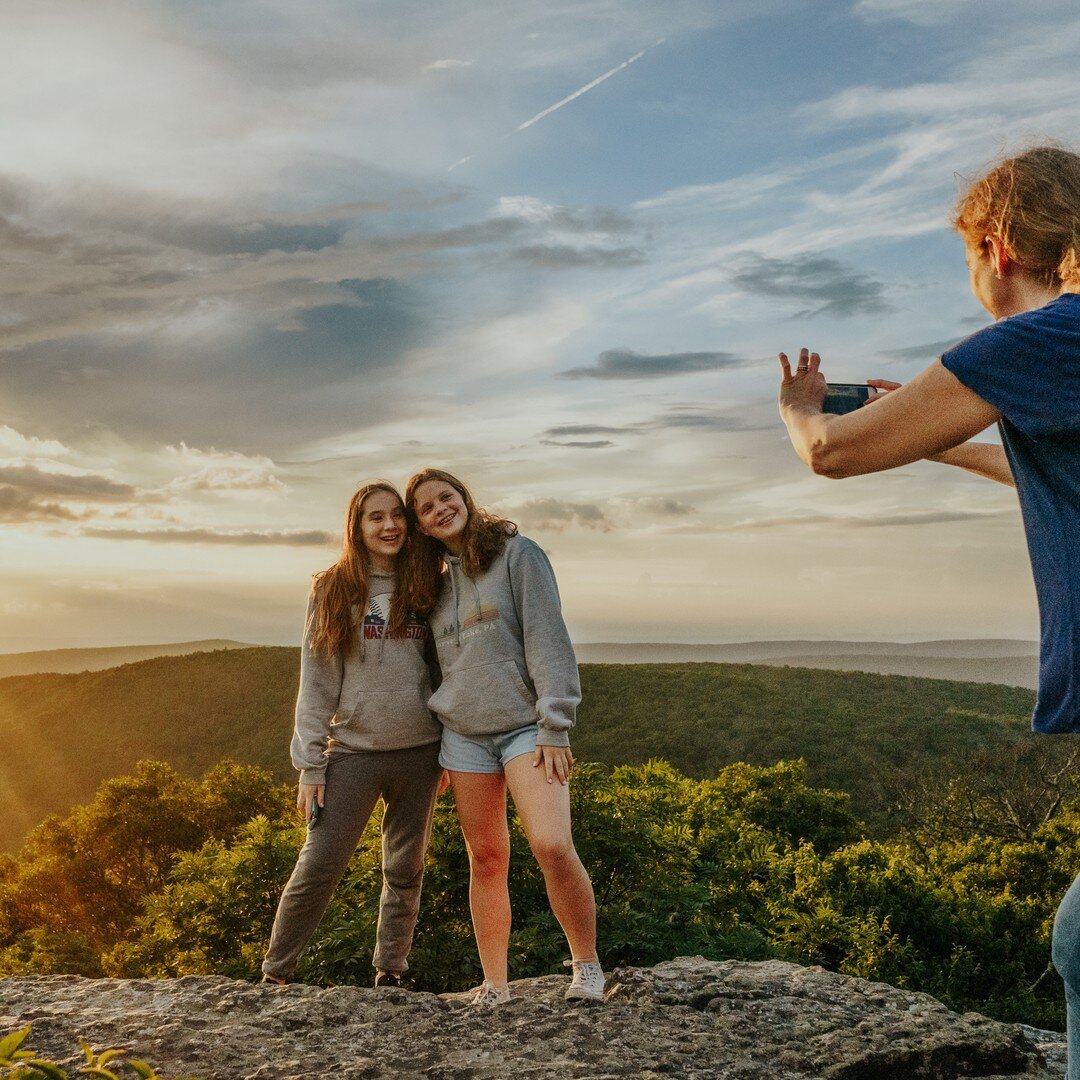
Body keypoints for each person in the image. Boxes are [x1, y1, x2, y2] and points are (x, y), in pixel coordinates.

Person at [776, 146, 1080, 1074]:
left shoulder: (1036, 340)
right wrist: (938, 441)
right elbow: (1051, 475)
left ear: (995, 247)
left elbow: (832, 452)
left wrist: (799, 411)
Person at [402, 467, 605, 1005]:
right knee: (486, 857)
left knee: (551, 844)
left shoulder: (518, 554)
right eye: (427, 507)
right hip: (463, 737)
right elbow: (431, 670)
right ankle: (495, 983)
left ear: (463, 497)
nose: (441, 508)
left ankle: (586, 965)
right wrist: (436, 747)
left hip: (525, 728)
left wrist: (555, 725)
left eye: (447, 496)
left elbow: (548, 636)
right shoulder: (431, 585)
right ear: (420, 525)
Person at [261, 481, 444, 988]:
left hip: (421, 751)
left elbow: (443, 669)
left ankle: (392, 969)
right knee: (320, 864)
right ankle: (276, 973)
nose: (389, 526)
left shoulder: (429, 581)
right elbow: (317, 678)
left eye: (396, 516)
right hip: (353, 753)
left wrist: (451, 748)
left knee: (406, 868)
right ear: (356, 527)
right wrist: (310, 764)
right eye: (375, 518)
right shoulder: (333, 587)